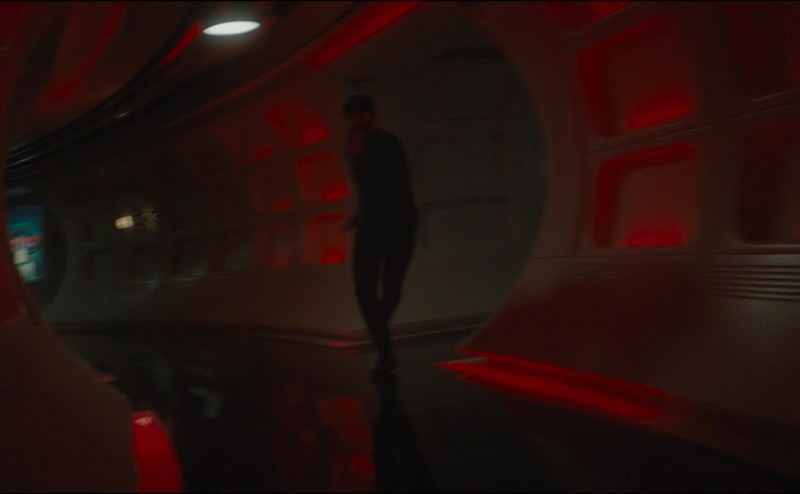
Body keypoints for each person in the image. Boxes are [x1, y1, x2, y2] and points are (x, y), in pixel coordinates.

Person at [343, 94, 418, 374]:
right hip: (373, 225)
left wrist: (360, 154)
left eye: (358, 115)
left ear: (370, 116)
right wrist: (358, 217)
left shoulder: (386, 143)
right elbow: (369, 189)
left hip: (396, 225)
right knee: (365, 289)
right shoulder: (353, 144)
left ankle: (381, 336)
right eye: (351, 117)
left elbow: (392, 186)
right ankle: (385, 352)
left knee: (391, 290)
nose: (354, 122)